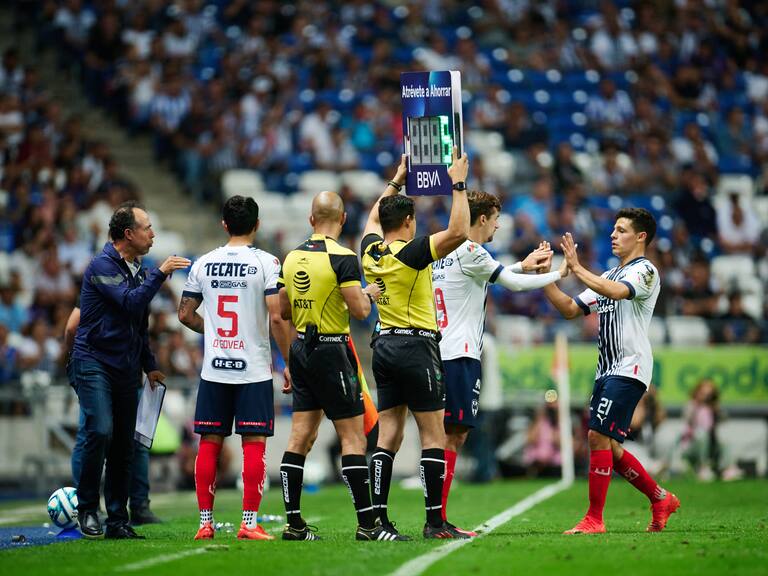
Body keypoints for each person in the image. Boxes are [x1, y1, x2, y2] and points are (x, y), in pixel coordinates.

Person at [431, 190, 566, 530]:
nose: (498, 225)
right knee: (452, 436)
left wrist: (523, 264)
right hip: (460, 352)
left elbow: (487, 274)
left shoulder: (445, 249)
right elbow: (513, 285)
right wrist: (558, 274)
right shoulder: (472, 250)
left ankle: (436, 516)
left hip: (438, 349)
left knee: (446, 435)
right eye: (494, 219)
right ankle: (437, 518)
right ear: (480, 219)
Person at [541, 207, 680, 534]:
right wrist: (545, 277)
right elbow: (571, 310)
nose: (613, 235)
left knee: (596, 436)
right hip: (606, 369)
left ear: (641, 236)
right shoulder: (608, 275)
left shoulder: (646, 271)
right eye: (614, 230)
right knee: (610, 446)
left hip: (630, 366)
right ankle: (660, 498)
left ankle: (594, 519)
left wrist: (576, 268)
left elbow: (619, 293)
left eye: (621, 230)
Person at [277, 191, 404, 541]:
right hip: (332, 349)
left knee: (300, 436)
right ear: (343, 219)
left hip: (301, 348)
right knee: (352, 439)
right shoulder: (343, 257)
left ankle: (295, 525)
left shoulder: (290, 257)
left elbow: (284, 310)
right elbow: (361, 311)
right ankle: (367, 526)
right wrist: (370, 294)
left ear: (310, 218)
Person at [361, 148, 471, 539]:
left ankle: (377, 519)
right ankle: (435, 521)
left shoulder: (370, 250)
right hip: (416, 346)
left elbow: (374, 216)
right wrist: (457, 181)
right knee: (433, 434)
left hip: (384, 346)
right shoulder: (411, 252)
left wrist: (397, 177)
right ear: (408, 221)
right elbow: (458, 232)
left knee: (388, 434)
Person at [71, 201, 191, 539]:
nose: (153, 234)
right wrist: (159, 273)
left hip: (125, 367)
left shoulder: (134, 268)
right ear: (128, 233)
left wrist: (150, 366)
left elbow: (138, 324)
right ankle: (87, 510)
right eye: (147, 228)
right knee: (100, 430)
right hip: (94, 361)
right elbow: (131, 302)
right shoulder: (101, 265)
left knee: (124, 443)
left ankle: (117, 519)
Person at [178, 195, 293, 541]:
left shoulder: (203, 263)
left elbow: (184, 314)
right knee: (253, 442)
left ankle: (204, 524)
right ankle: (248, 522)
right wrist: (288, 362)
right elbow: (276, 315)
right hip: (253, 369)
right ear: (257, 225)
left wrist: (211, 331)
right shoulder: (267, 263)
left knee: (209, 443)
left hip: (215, 368)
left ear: (224, 225)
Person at [65, 303, 161, 525]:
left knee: (123, 441)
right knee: (97, 435)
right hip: (101, 377)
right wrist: (78, 361)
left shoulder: (127, 283)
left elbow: (71, 328)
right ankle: (93, 507)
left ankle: (124, 508)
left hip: (124, 377)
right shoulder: (104, 277)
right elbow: (72, 327)